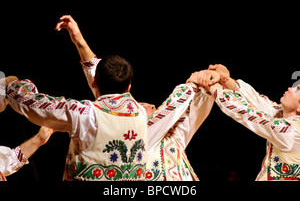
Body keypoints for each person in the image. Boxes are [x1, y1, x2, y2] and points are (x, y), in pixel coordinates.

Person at [55, 15, 216, 181]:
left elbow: (204, 98)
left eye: (152, 107)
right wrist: (190, 85)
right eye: (140, 105)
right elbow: (106, 84)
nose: (149, 106)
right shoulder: (139, 134)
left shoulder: (173, 137)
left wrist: (211, 75)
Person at [3, 58, 148, 181]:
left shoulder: (85, 113)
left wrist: (11, 84)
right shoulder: (142, 112)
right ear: (129, 88)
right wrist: (78, 39)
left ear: (93, 83)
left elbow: (33, 104)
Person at [196, 64, 300, 181]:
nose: (291, 88)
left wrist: (210, 83)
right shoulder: (281, 115)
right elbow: (257, 100)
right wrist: (224, 78)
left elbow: (245, 111)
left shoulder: (292, 131)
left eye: (298, 90)